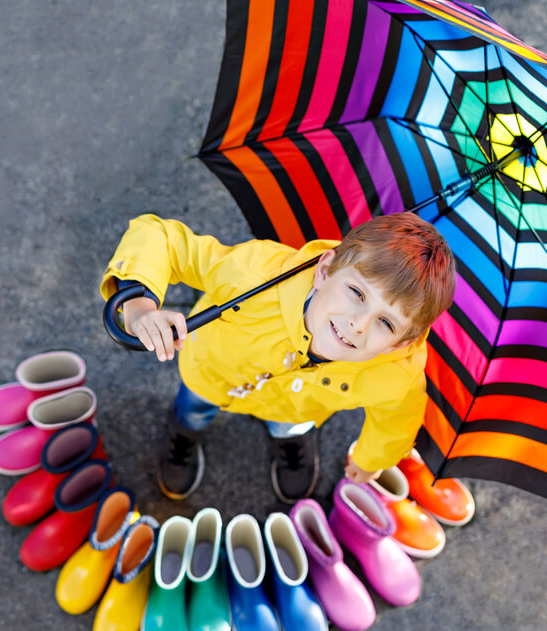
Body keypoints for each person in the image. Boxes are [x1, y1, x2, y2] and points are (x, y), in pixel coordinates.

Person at [99, 212, 456, 503]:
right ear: (324, 270)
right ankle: (184, 432)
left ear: (401, 343)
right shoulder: (254, 274)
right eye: (356, 292)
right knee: (193, 408)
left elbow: (396, 421)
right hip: (211, 372)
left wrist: (371, 459)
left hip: (296, 409)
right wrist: (138, 304)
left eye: (385, 322)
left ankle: (289, 439)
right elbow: (161, 239)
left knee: (292, 424)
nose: (357, 325)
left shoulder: (397, 373)